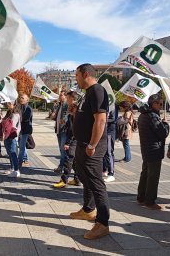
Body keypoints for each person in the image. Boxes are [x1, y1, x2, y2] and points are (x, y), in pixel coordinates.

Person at [69, 63, 110, 240]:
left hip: (92, 145)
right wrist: (74, 113)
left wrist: (92, 145)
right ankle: (88, 209)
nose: (75, 79)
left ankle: (103, 223)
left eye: (77, 75)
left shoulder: (97, 91)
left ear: (85, 74)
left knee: (96, 182)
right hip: (83, 143)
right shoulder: (87, 94)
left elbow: (100, 121)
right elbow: (86, 117)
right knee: (84, 176)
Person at [137, 94, 170, 210]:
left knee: (145, 174)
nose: (161, 106)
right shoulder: (152, 116)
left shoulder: (143, 114)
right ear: (153, 103)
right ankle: (150, 201)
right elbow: (163, 133)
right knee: (153, 177)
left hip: (146, 149)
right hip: (154, 150)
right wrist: (165, 124)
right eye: (160, 104)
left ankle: (141, 197)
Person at [53, 90, 81, 188]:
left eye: (68, 97)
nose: (66, 99)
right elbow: (70, 124)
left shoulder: (75, 108)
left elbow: (74, 128)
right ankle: (77, 180)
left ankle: (64, 181)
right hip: (75, 138)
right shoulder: (74, 108)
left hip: (74, 139)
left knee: (68, 159)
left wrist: (68, 142)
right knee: (74, 160)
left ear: (72, 98)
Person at [2, 101, 21, 178]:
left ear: (14, 105)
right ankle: (12, 168)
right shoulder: (9, 112)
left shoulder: (15, 114)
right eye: (8, 103)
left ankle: (16, 170)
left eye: (10, 103)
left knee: (13, 153)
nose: (8, 104)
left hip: (12, 136)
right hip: (7, 136)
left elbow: (12, 126)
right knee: (10, 153)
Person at [53, 91, 69, 174]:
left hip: (64, 130)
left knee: (63, 150)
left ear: (66, 96)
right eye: (60, 95)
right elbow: (58, 117)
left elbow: (68, 115)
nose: (60, 96)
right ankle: (66, 167)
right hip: (59, 130)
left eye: (61, 95)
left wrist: (64, 120)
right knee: (61, 150)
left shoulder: (67, 105)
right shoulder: (60, 105)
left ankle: (61, 167)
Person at [102, 103, 118, 182]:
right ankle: (104, 170)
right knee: (104, 152)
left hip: (110, 132)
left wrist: (103, 119)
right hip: (104, 131)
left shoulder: (113, 106)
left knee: (109, 152)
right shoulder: (105, 105)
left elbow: (113, 118)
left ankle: (111, 173)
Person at [18, 94, 33, 167]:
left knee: (21, 146)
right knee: (22, 145)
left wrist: (17, 119)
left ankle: (19, 161)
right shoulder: (20, 107)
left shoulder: (28, 108)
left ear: (27, 100)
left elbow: (26, 119)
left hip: (25, 129)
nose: (21, 99)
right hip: (20, 129)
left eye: (23, 98)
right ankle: (25, 159)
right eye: (21, 97)